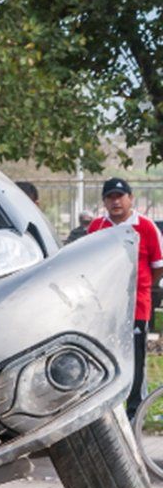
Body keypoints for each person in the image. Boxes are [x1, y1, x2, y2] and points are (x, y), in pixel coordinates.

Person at [87, 177, 163, 420]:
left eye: (120, 196)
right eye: (110, 197)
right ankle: (108, 413)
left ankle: (134, 414)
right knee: (105, 358)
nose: (115, 201)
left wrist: (142, 288)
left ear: (130, 199)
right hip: (105, 309)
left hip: (137, 308)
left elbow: (158, 265)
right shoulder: (97, 227)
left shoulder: (147, 227)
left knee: (135, 360)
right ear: (104, 202)